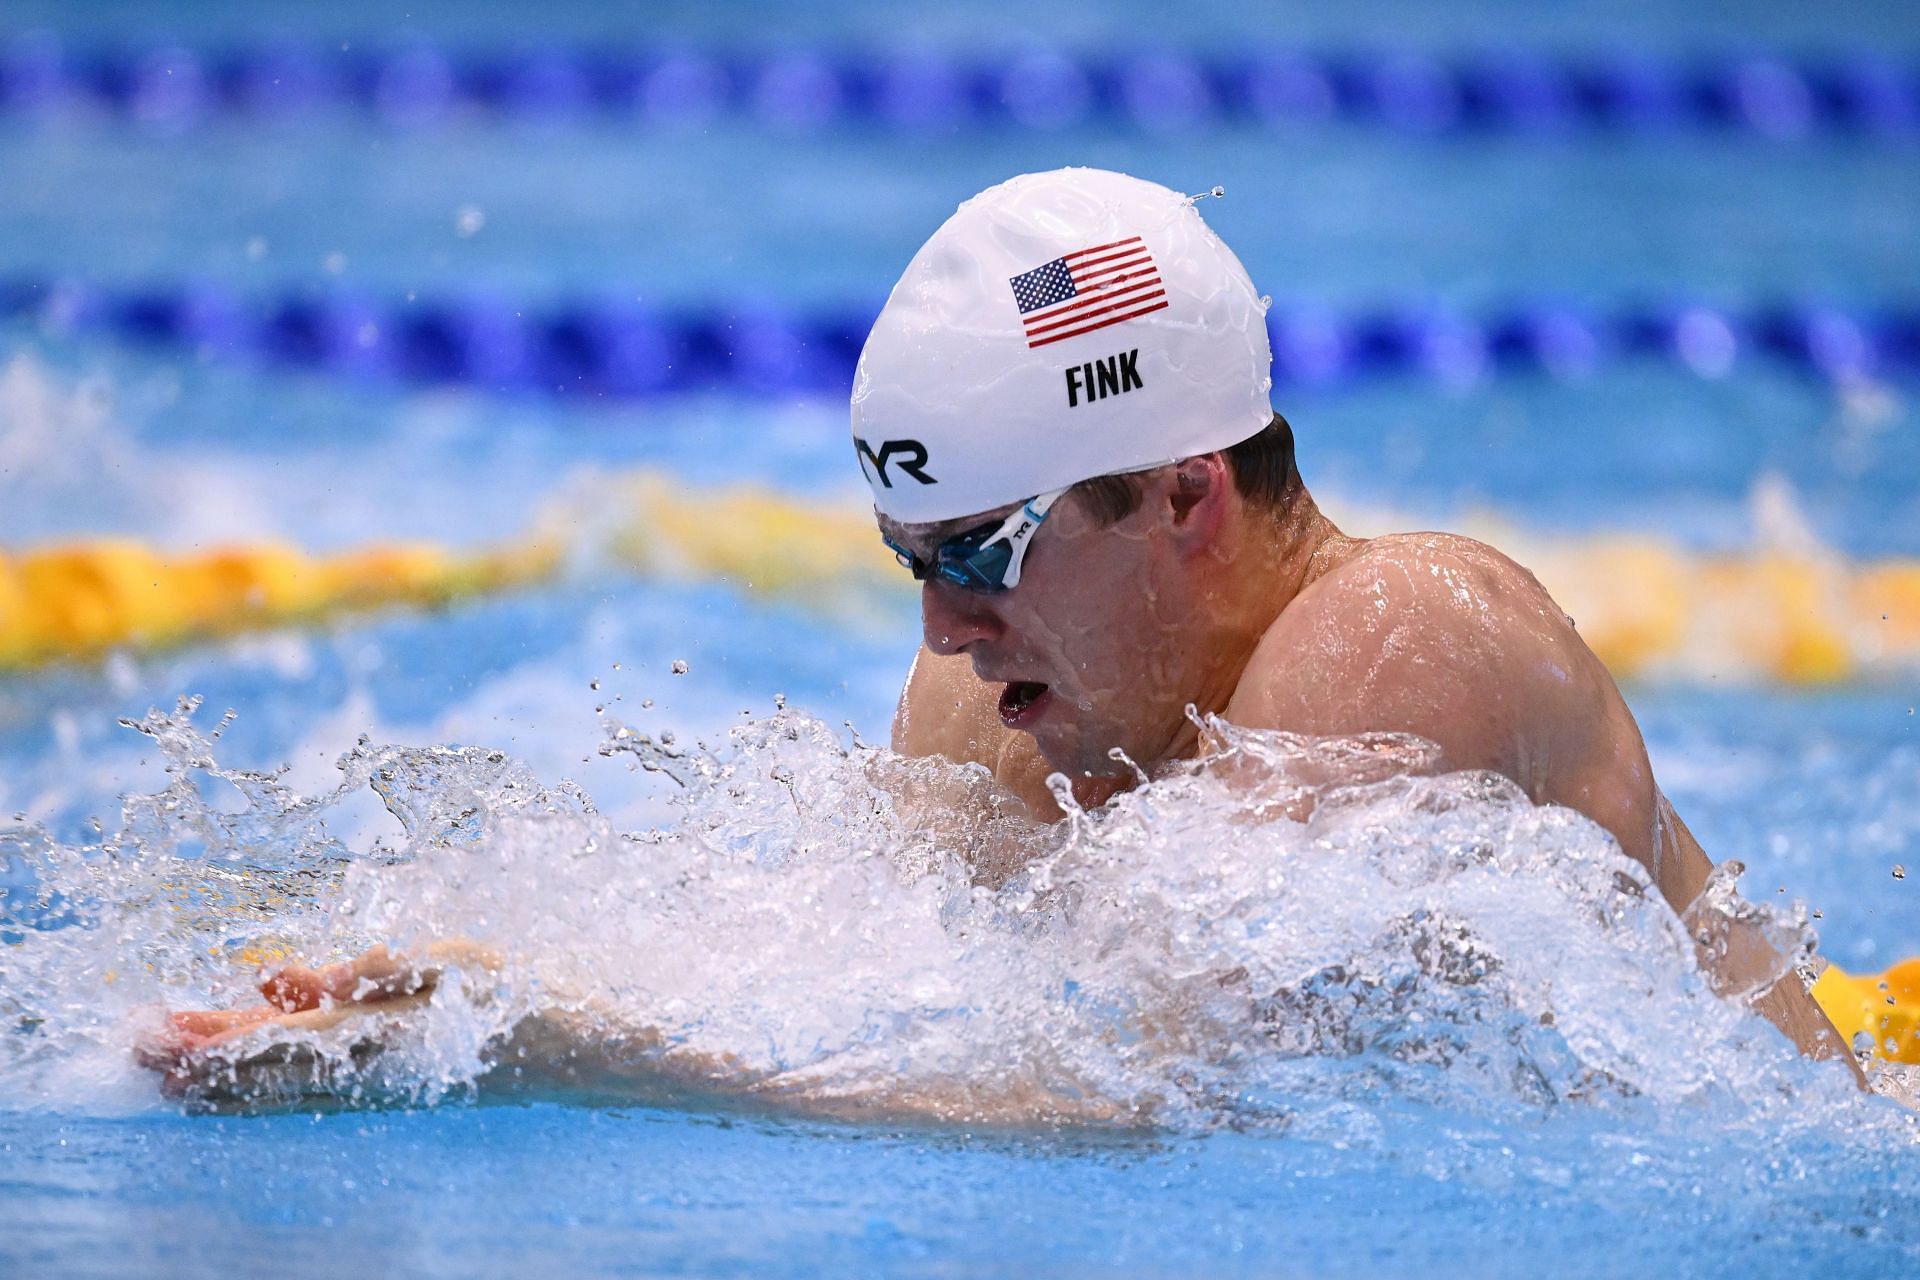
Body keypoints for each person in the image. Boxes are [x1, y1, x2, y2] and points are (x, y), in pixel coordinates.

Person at [139, 168, 1852, 1103]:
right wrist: (438, 976)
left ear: (1185, 499)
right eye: (911, 558)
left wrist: (559, 1050)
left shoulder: (1404, 642)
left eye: (985, 548)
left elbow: (1145, 1098)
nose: (950, 629)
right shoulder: (1007, 703)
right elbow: (856, 996)